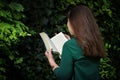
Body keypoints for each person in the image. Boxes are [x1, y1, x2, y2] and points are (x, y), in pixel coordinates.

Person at [45, 5, 106, 80]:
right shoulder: (96, 41)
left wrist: (51, 61)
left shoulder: (70, 45)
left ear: (74, 23)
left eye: (68, 20)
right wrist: (70, 41)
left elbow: (63, 76)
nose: (67, 24)